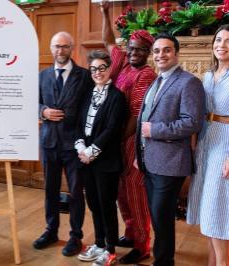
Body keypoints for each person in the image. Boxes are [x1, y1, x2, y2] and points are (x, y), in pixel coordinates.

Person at [135, 33, 205, 266]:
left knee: (162, 217)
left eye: (166, 50)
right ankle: (163, 256)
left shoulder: (189, 82)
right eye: (156, 51)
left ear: (176, 53)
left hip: (171, 162)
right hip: (150, 160)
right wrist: (139, 153)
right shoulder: (157, 80)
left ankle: (164, 261)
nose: (160, 55)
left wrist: (154, 131)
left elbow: (192, 122)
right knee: (157, 216)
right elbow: (144, 118)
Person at [100, 2, 156, 264]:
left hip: (132, 141)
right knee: (122, 192)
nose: (134, 53)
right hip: (117, 139)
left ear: (148, 53)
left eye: (140, 50)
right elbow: (108, 41)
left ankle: (143, 245)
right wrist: (103, 12)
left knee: (135, 192)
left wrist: (116, 140)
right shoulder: (123, 64)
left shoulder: (145, 75)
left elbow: (137, 114)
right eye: (131, 48)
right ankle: (131, 232)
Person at [34, 31, 91, 256]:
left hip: (74, 145)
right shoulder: (43, 75)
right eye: (57, 46)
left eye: (65, 46)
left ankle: (75, 236)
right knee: (50, 190)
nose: (61, 50)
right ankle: (51, 230)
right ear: (51, 48)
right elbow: (33, 102)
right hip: (49, 142)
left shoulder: (85, 76)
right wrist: (43, 111)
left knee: (76, 192)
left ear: (72, 48)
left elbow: (89, 109)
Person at [75, 50, 126, 266]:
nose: (97, 72)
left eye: (101, 68)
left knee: (106, 205)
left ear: (109, 69)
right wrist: (80, 146)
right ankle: (98, 243)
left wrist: (91, 152)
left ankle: (110, 249)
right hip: (86, 160)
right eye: (93, 69)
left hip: (106, 162)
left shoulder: (117, 97)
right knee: (93, 204)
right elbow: (78, 124)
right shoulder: (87, 94)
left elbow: (113, 129)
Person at [187, 24, 229, 266]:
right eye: (218, 40)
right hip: (205, 142)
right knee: (208, 211)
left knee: (218, 209)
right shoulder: (208, 76)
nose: (221, 45)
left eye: (227, 41)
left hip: (224, 144)